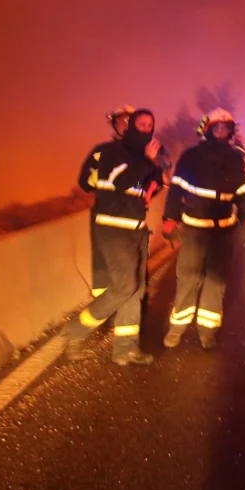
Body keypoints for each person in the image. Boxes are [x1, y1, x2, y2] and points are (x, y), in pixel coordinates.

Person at [62, 108, 164, 366]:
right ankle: (75, 331)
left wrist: (156, 179)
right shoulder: (110, 152)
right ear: (128, 127)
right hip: (113, 228)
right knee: (124, 286)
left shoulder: (143, 156)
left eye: (149, 124)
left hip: (137, 227)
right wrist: (149, 161)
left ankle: (125, 349)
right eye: (140, 123)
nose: (145, 127)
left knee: (137, 289)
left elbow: (151, 184)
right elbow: (121, 182)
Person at [161, 108, 245, 350]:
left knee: (216, 281)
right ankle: (177, 328)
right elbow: (176, 188)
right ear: (207, 129)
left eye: (226, 128)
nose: (222, 131)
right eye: (217, 127)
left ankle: (207, 330)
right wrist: (169, 219)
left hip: (223, 231)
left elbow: (243, 192)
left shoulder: (235, 158)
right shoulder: (191, 155)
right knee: (188, 278)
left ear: (231, 131)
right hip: (194, 229)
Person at [77, 105, 136, 298]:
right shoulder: (100, 151)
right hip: (104, 216)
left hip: (131, 217)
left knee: (130, 265)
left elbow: (157, 181)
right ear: (114, 125)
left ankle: (124, 305)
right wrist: (100, 178)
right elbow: (84, 182)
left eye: (130, 121)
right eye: (122, 121)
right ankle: (103, 307)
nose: (126, 125)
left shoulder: (144, 153)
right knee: (103, 264)